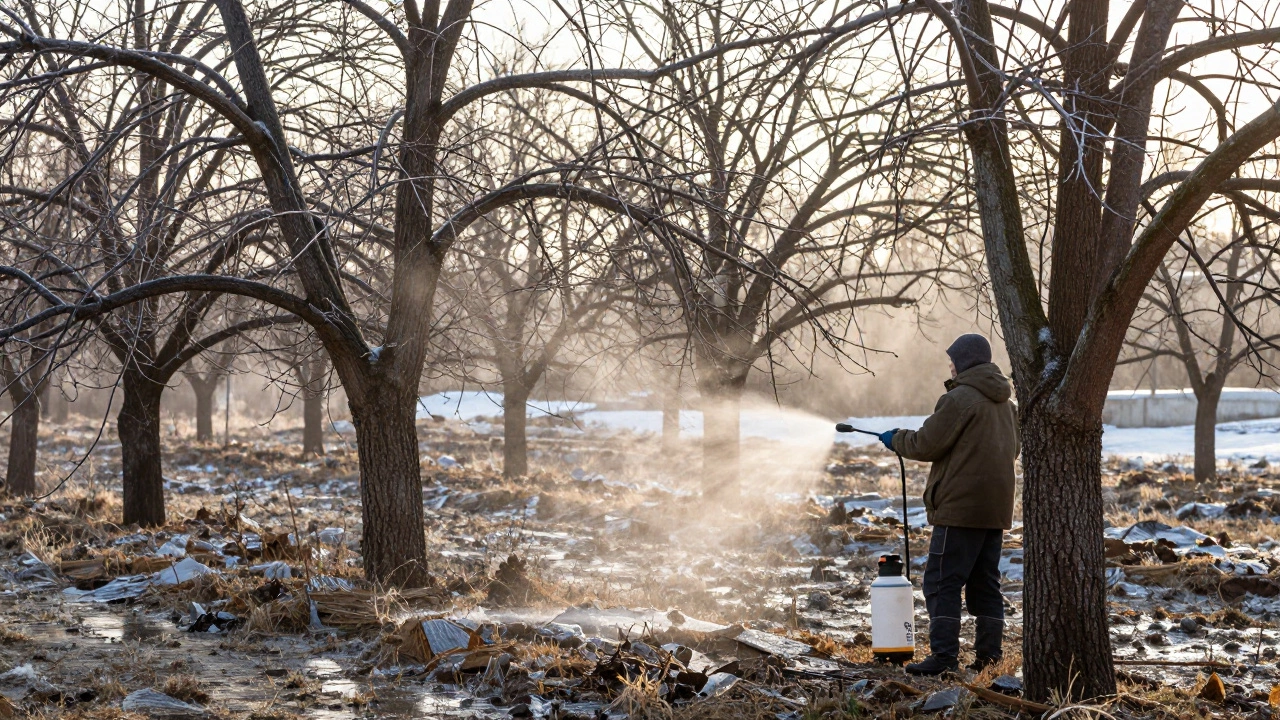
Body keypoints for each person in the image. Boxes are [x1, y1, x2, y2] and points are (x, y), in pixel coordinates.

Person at [877, 333, 1020, 675]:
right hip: (995, 510)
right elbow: (1012, 451)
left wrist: (896, 439)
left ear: (965, 362)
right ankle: (989, 659)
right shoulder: (1008, 406)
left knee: (942, 582)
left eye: (953, 360)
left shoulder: (959, 399)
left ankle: (943, 659)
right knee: (986, 584)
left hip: (959, 509)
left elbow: (926, 444)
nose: (950, 366)